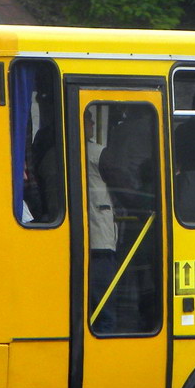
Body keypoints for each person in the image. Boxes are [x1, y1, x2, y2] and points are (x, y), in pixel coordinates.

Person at [84, 108, 119, 332]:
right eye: (89, 121)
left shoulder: (51, 152)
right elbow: (122, 183)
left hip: (85, 238)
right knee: (104, 305)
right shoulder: (97, 154)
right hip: (100, 240)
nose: (93, 126)